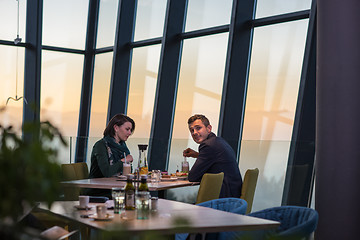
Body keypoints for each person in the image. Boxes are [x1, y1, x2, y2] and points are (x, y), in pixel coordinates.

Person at [183, 114, 242, 198]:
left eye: (198, 128)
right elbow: (217, 160)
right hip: (234, 195)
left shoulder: (208, 145)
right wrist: (197, 155)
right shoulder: (218, 141)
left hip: (224, 199)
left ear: (209, 128)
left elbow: (193, 176)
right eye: (192, 130)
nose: (194, 133)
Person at [86, 113, 135, 197]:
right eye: (127, 129)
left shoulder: (122, 147)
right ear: (116, 128)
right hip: (99, 191)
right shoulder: (101, 145)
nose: (129, 133)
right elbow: (107, 172)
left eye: (130, 130)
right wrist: (124, 160)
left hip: (116, 188)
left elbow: (127, 172)